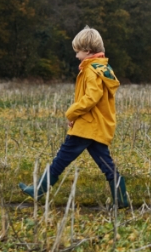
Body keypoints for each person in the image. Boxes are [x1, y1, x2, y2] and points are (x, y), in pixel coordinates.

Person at [19, 26, 129, 208]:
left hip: (86, 126)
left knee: (61, 159)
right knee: (105, 163)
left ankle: (39, 190)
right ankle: (122, 199)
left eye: (77, 51)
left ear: (87, 51)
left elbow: (92, 98)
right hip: (96, 126)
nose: (76, 55)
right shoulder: (103, 69)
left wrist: (72, 112)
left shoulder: (90, 70)